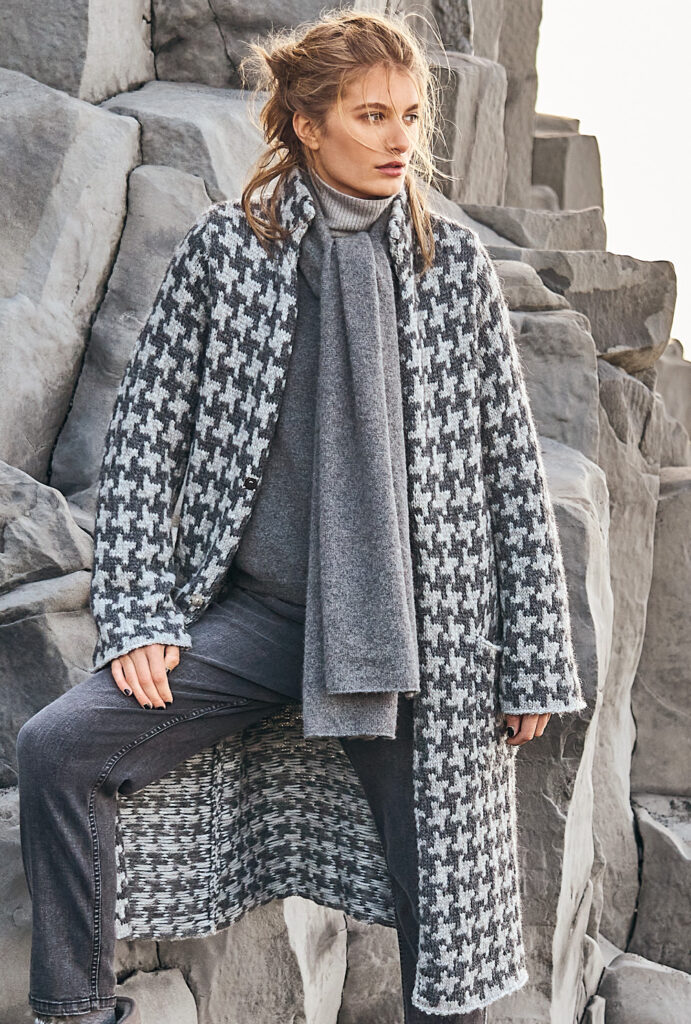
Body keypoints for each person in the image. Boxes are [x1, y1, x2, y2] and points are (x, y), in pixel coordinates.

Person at [15, 9, 586, 1024]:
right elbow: (144, 439)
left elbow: (510, 468)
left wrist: (534, 656)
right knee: (59, 750)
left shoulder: (452, 268)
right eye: (370, 115)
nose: (399, 138)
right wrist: (139, 614)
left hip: (417, 641)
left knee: (443, 925)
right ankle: (77, 1012)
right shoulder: (226, 253)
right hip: (264, 619)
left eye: (409, 115)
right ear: (307, 124)